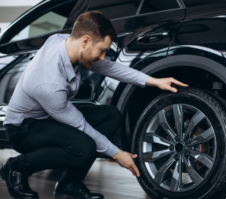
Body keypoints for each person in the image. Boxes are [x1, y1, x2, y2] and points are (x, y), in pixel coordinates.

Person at [0, 11, 188, 199]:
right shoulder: (48, 83)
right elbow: (81, 125)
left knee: (111, 115)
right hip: (23, 129)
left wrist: (153, 81)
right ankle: (16, 168)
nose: (102, 57)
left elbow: (108, 68)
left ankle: (69, 184)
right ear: (85, 41)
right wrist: (117, 154)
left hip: (49, 117)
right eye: (102, 50)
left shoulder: (65, 42)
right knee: (84, 147)